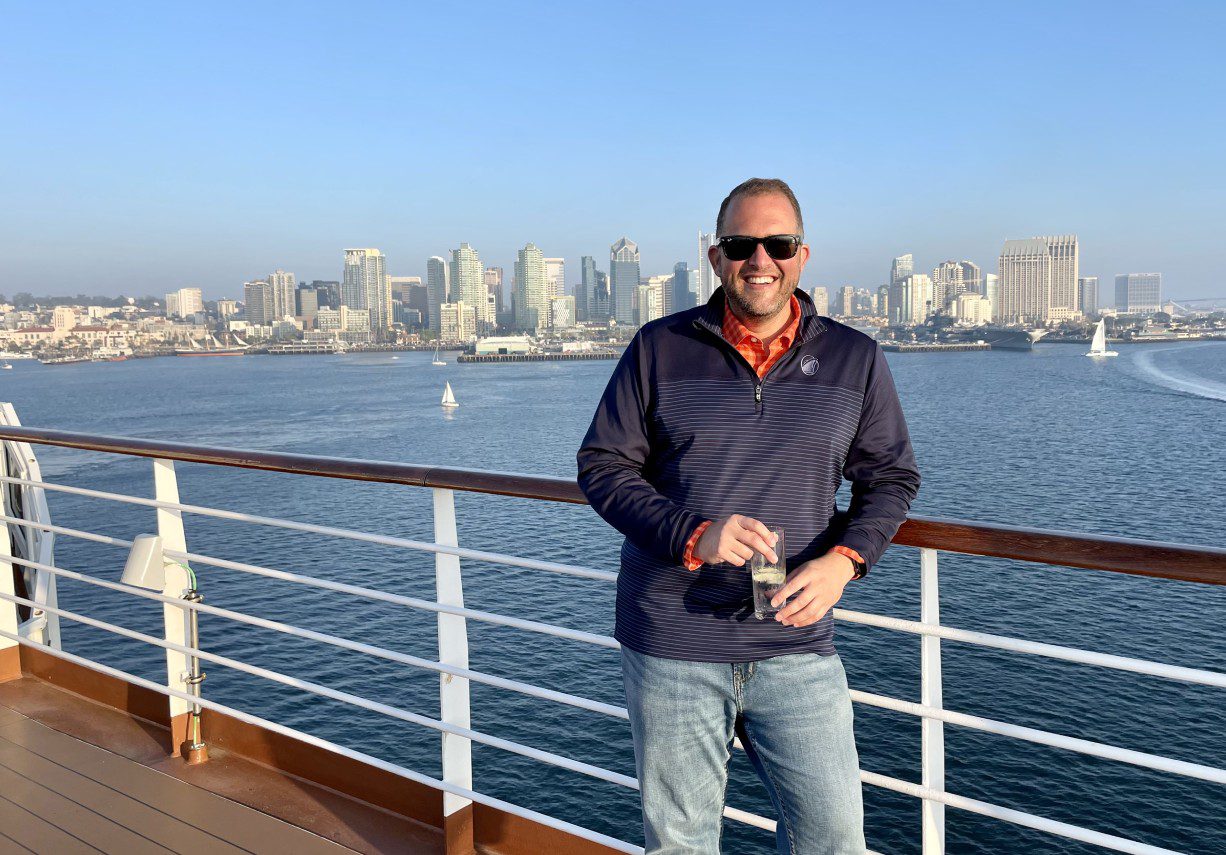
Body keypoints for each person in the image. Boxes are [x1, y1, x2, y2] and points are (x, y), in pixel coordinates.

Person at [577, 177, 920, 854]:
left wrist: (844, 562)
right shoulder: (658, 348)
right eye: (740, 244)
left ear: (802, 254)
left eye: (778, 243)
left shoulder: (855, 358)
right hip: (672, 640)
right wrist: (694, 534)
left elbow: (892, 478)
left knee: (835, 838)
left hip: (795, 642)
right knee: (681, 845)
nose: (759, 259)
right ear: (715, 257)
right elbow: (602, 466)